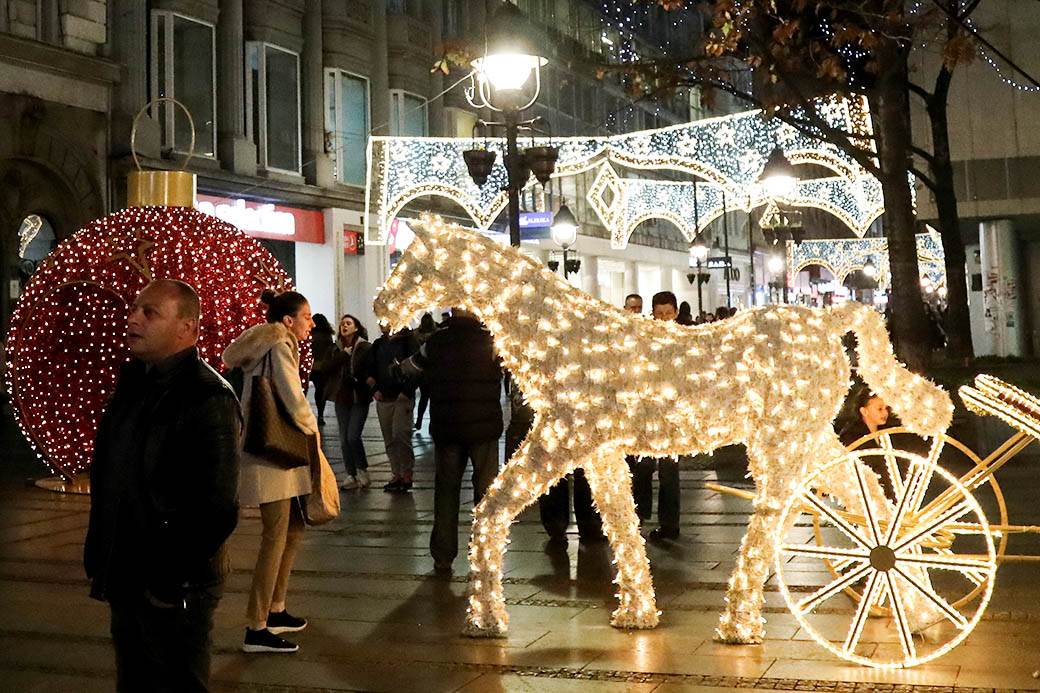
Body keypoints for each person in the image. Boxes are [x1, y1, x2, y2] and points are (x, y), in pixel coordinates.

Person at [85, 279, 240, 692]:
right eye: (135, 308)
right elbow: (113, 473)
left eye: (150, 312)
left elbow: (218, 505)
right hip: (128, 569)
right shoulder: (135, 384)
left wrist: (168, 580)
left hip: (174, 584)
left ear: (187, 328)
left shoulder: (208, 396)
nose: (133, 318)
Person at [223, 289, 321, 654]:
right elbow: (292, 396)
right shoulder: (279, 344)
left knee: (292, 528)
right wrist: (311, 428)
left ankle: (276, 608)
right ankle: (256, 626)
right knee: (276, 535)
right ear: (287, 321)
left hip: (278, 453)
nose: (311, 323)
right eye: (306, 317)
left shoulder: (269, 345)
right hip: (272, 454)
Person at [397, 309, 503, 573]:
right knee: (487, 493)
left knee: (446, 491)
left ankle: (443, 555)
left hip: (448, 428)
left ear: (453, 312)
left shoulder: (435, 342)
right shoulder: (492, 340)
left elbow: (411, 369)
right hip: (484, 429)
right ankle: (485, 551)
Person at [631, 291, 682, 541]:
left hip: (672, 419)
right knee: (642, 469)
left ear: (676, 314)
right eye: (659, 314)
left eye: (668, 314)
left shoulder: (684, 343)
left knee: (669, 473)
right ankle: (639, 517)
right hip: (646, 417)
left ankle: (669, 524)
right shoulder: (643, 341)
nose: (663, 319)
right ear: (653, 314)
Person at [364, 322, 420, 492]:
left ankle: (407, 472)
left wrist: (407, 391)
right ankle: (396, 473)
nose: (382, 325)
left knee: (400, 434)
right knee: (389, 437)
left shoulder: (408, 341)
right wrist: (374, 389)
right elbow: (368, 369)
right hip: (384, 397)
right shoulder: (378, 344)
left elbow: (417, 369)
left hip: (402, 398)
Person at [328, 314, 372, 490]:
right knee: (344, 439)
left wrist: (359, 380)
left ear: (356, 327)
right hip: (341, 397)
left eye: (348, 323)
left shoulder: (365, 347)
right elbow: (327, 366)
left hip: (358, 397)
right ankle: (350, 473)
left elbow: (368, 369)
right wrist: (343, 356)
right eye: (342, 324)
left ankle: (362, 470)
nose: (344, 326)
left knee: (353, 436)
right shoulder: (336, 348)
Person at [308, 314, 336, 425]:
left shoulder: (310, 335)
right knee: (320, 392)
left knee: (303, 390)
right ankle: (320, 415)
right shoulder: (327, 336)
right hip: (322, 367)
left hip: (310, 366)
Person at [413, 312, 438, 430]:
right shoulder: (436, 334)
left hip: (421, 370)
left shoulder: (416, 334)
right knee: (433, 399)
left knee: (424, 397)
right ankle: (431, 423)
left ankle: (419, 420)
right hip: (433, 370)